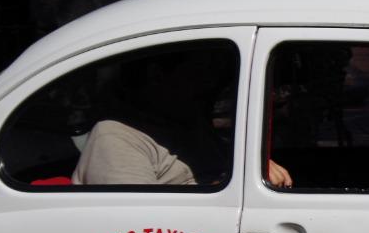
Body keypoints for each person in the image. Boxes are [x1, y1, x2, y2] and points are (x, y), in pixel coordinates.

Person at [73, 49, 292, 187]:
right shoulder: (115, 137)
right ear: (156, 74)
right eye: (200, 71)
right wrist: (240, 183)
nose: (210, 82)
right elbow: (137, 232)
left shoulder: (187, 122)